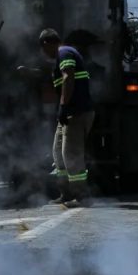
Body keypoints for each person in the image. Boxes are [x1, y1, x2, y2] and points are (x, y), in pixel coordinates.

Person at [39, 28, 95, 208]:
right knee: (58, 154)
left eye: (43, 48)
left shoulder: (64, 53)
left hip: (76, 113)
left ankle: (81, 196)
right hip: (69, 114)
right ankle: (65, 193)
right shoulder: (62, 56)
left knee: (71, 154)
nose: (43, 53)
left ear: (47, 43)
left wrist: (63, 106)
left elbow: (68, 77)